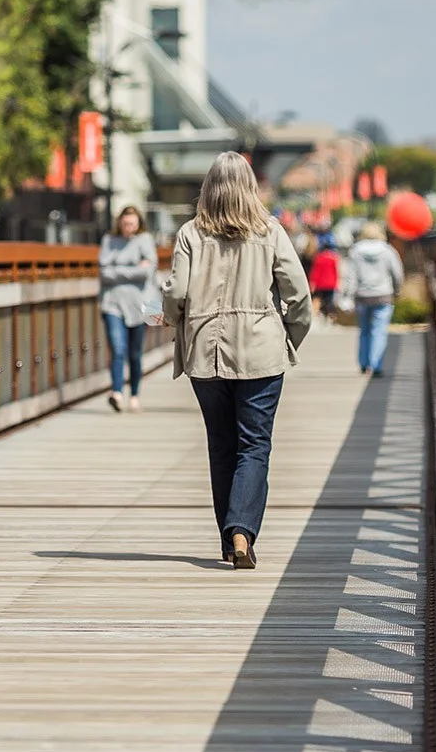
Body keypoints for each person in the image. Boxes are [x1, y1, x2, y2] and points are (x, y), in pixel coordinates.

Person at [162, 151, 311, 569]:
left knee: (221, 445)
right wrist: (288, 338)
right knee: (254, 444)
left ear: (208, 188)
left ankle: (229, 540)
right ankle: (242, 531)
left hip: (204, 351)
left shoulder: (190, 233)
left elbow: (177, 292)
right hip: (261, 350)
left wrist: (172, 317)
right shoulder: (271, 231)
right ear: (250, 187)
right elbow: (299, 295)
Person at [98, 205, 158, 412]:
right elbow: (104, 273)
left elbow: (148, 272)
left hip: (141, 305)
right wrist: (134, 269)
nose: (128, 227)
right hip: (112, 303)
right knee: (117, 348)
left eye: (132, 224)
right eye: (125, 224)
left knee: (135, 353)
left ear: (139, 224)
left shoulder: (145, 240)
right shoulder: (109, 240)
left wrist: (117, 271)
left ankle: (134, 394)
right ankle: (116, 392)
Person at [341, 221, 404, 377]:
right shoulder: (388, 251)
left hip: (362, 296)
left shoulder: (355, 251)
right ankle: (376, 365)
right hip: (383, 295)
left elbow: (350, 275)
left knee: (364, 330)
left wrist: (348, 295)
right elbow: (397, 273)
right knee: (379, 331)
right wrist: (397, 290)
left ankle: (363, 363)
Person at [308, 236, 339, 323]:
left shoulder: (319, 257)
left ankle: (314, 315)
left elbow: (316, 272)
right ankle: (330, 317)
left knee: (318, 299)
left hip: (320, 283)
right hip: (331, 283)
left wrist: (312, 282)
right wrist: (337, 282)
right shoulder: (333, 258)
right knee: (330, 301)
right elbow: (336, 271)